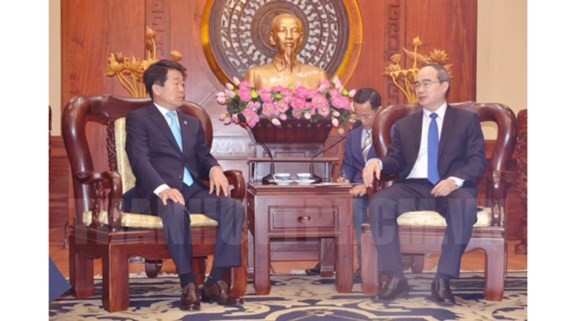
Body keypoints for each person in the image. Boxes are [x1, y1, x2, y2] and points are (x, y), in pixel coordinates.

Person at [123, 59, 245, 311]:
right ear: (157, 88)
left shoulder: (191, 122)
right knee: (176, 210)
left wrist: (214, 168)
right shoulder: (139, 119)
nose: (182, 89)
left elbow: (203, 156)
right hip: (154, 194)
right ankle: (188, 283)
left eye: (183, 84)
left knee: (234, 208)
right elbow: (139, 159)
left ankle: (215, 280)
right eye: (176, 83)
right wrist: (162, 188)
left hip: (192, 191)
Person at [362, 64, 487, 306]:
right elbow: (396, 161)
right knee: (380, 202)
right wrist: (377, 161)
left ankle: (442, 279)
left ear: (444, 86)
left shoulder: (466, 120)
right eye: (417, 84)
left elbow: (477, 160)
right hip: (414, 187)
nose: (420, 89)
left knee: (464, 206)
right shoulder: (406, 125)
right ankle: (396, 279)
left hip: (452, 188)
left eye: (426, 83)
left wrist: (454, 180)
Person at [305, 88, 382, 279]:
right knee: (330, 203)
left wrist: (369, 186)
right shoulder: (354, 135)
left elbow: (395, 165)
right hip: (355, 187)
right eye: (359, 115)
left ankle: (365, 266)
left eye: (367, 116)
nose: (363, 121)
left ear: (379, 111)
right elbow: (348, 164)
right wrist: (344, 177)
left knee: (356, 207)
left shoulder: (390, 131)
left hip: (379, 189)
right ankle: (327, 260)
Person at [244, 13, 328, 90]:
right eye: (282, 30)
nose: (289, 36)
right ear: (272, 38)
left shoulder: (318, 76)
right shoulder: (255, 75)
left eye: (294, 31)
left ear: (301, 38)